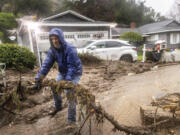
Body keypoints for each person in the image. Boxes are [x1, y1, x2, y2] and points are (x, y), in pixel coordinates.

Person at [33, 28, 82, 124]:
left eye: (56, 38)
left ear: (61, 38)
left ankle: (71, 120)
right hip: (63, 72)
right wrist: (39, 78)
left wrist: (68, 81)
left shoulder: (70, 49)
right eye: (52, 39)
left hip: (75, 73)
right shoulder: (52, 50)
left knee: (69, 93)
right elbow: (46, 65)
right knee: (54, 87)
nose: (54, 41)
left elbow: (72, 67)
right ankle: (58, 107)